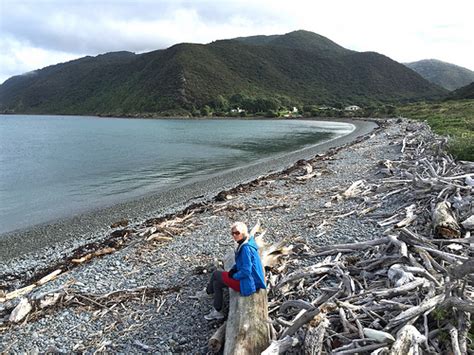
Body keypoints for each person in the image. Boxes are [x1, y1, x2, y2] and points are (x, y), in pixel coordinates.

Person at [192, 221, 266, 321]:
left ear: (244, 232)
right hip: (251, 280)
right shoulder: (248, 242)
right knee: (217, 283)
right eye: (233, 233)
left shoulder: (245, 249)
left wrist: (233, 276)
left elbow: (246, 271)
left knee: (216, 274)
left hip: (248, 284)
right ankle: (217, 311)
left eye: (237, 233)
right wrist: (233, 269)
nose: (234, 235)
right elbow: (243, 264)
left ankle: (208, 292)